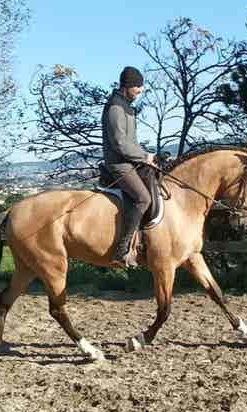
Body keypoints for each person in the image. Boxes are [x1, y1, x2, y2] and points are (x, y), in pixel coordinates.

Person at [102, 66, 157, 267]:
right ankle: (122, 250)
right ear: (126, 86)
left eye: (141, 86)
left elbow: (131, 142)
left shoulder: (126, 106)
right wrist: (144, 156)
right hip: (119, 165)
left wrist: (148, 157)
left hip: (131, 161)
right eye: (137, 87)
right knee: (143, 198)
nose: (140, 90)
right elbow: (119, 143)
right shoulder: (116, 108)